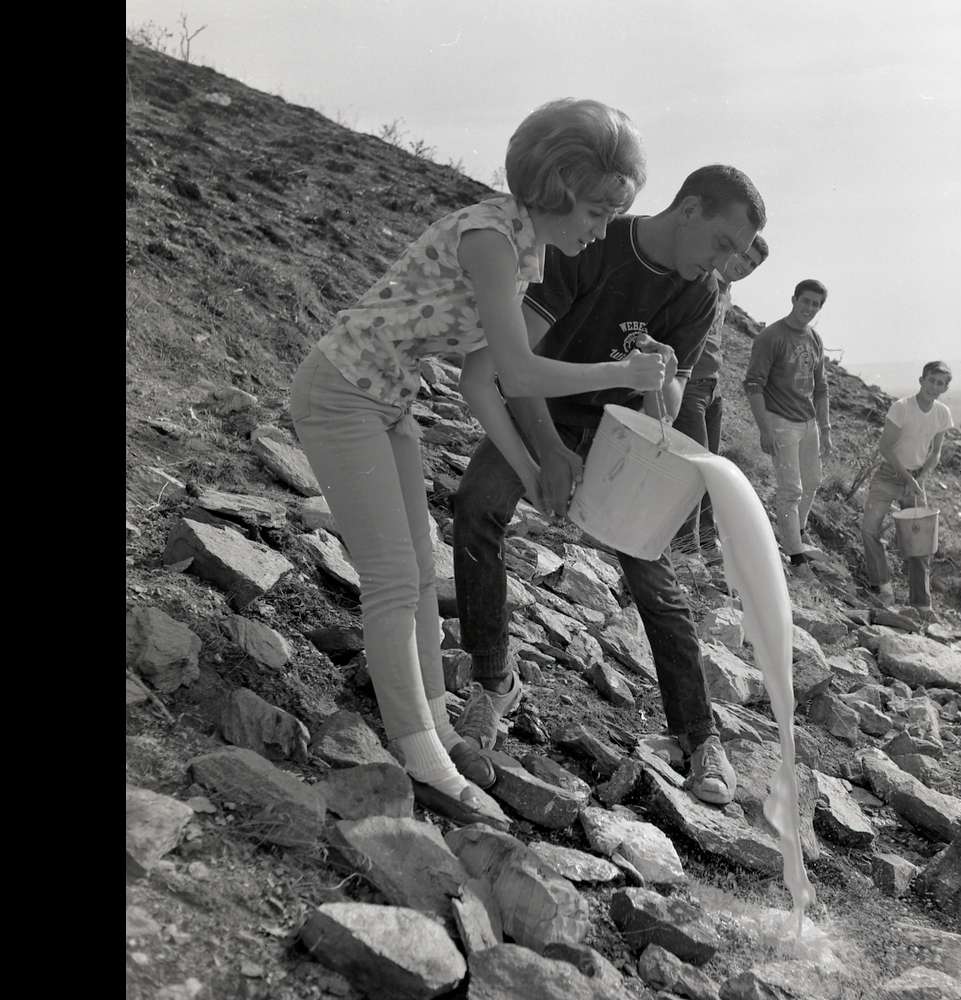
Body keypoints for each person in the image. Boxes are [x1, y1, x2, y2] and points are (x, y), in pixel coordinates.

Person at [288, 99, 668, 825]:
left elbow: (478, 379)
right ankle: (419, 755)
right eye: (595, 210)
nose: (600, 229)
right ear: (555, 188)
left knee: (421, 576)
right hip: (340, 394)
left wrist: (530, 475)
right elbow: (522, 373)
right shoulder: (491, 240)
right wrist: (614, 372)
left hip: (384, 398)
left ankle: (430, 721)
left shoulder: (525, 249)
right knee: (394, 581)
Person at [452, 164, 767, 806]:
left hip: (618, 430)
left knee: (652, 568)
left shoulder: (700, 290)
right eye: (723, 243)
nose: (727, 262)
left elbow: (670, 396)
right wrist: (547, 453)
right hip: (542, 406)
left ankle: (696, 734)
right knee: (477, 507)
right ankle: (492, 684)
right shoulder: (590, 244)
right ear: (688, 211)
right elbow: (517, 371)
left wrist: (665, 382)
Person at [671, 234, 769, 564]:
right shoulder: (702, 278)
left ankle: (708, 543)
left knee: (713, 466)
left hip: (713, 386)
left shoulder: (726, 290)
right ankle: (684, 546)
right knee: (696, 466)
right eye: (744, 257)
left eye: (754, 265)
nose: (746, 266)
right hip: (690, 381)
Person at [743, 279, 834, 567]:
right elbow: (753, 384)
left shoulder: (814, 338)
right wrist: (764, 429)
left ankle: (798, 534)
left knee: (812, 482)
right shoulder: (772, 337)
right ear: (793, 299)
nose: (809, 308)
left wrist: (825, 427)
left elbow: (821, 387)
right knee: (790, 489)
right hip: (781, 421)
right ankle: (795, 557)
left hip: (808, 423)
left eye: (816, 304)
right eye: (805, 301)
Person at [859, 360, 954, 618]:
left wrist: (920, 479)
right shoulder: (901, 408)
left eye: (941, 383)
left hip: (915, 479)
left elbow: (936, 452)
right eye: (931, 381)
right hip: (889, 475)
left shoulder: (942, 413)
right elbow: (885, 447)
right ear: (921, 380)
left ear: (945, 387)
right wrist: (906, 477)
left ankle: (921, 604)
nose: (935, 387)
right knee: (870, 529)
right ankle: (884, 587)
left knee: (919, 542)